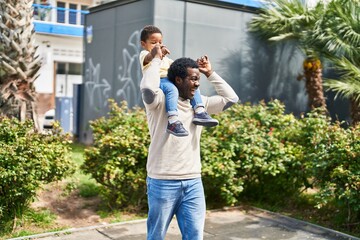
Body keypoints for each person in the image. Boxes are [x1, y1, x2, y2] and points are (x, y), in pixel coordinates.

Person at [140, 44, 239, 240]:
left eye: (198, 79)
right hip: (162, 182)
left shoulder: (200, 105)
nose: (197, 84)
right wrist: (157, 60)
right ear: (178, 80)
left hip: (193, 182)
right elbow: (148, 89)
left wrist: (210, 73)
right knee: (156, 236)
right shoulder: (159, 102)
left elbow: (231, 98)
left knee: (194, 236)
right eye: (193, 79)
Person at [139, 25, 218, 137]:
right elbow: (148, 58)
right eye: (153, 43)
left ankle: (199, 110)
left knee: (191, 84)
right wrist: (156, 53)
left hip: (171, 78)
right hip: (160, 80)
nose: (158, 45)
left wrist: (193, 66)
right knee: (172, 90)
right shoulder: (144, 54)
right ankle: (172, 121)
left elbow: (178, 68)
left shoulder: (166, 59)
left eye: (160, 42)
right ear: (143, 44)